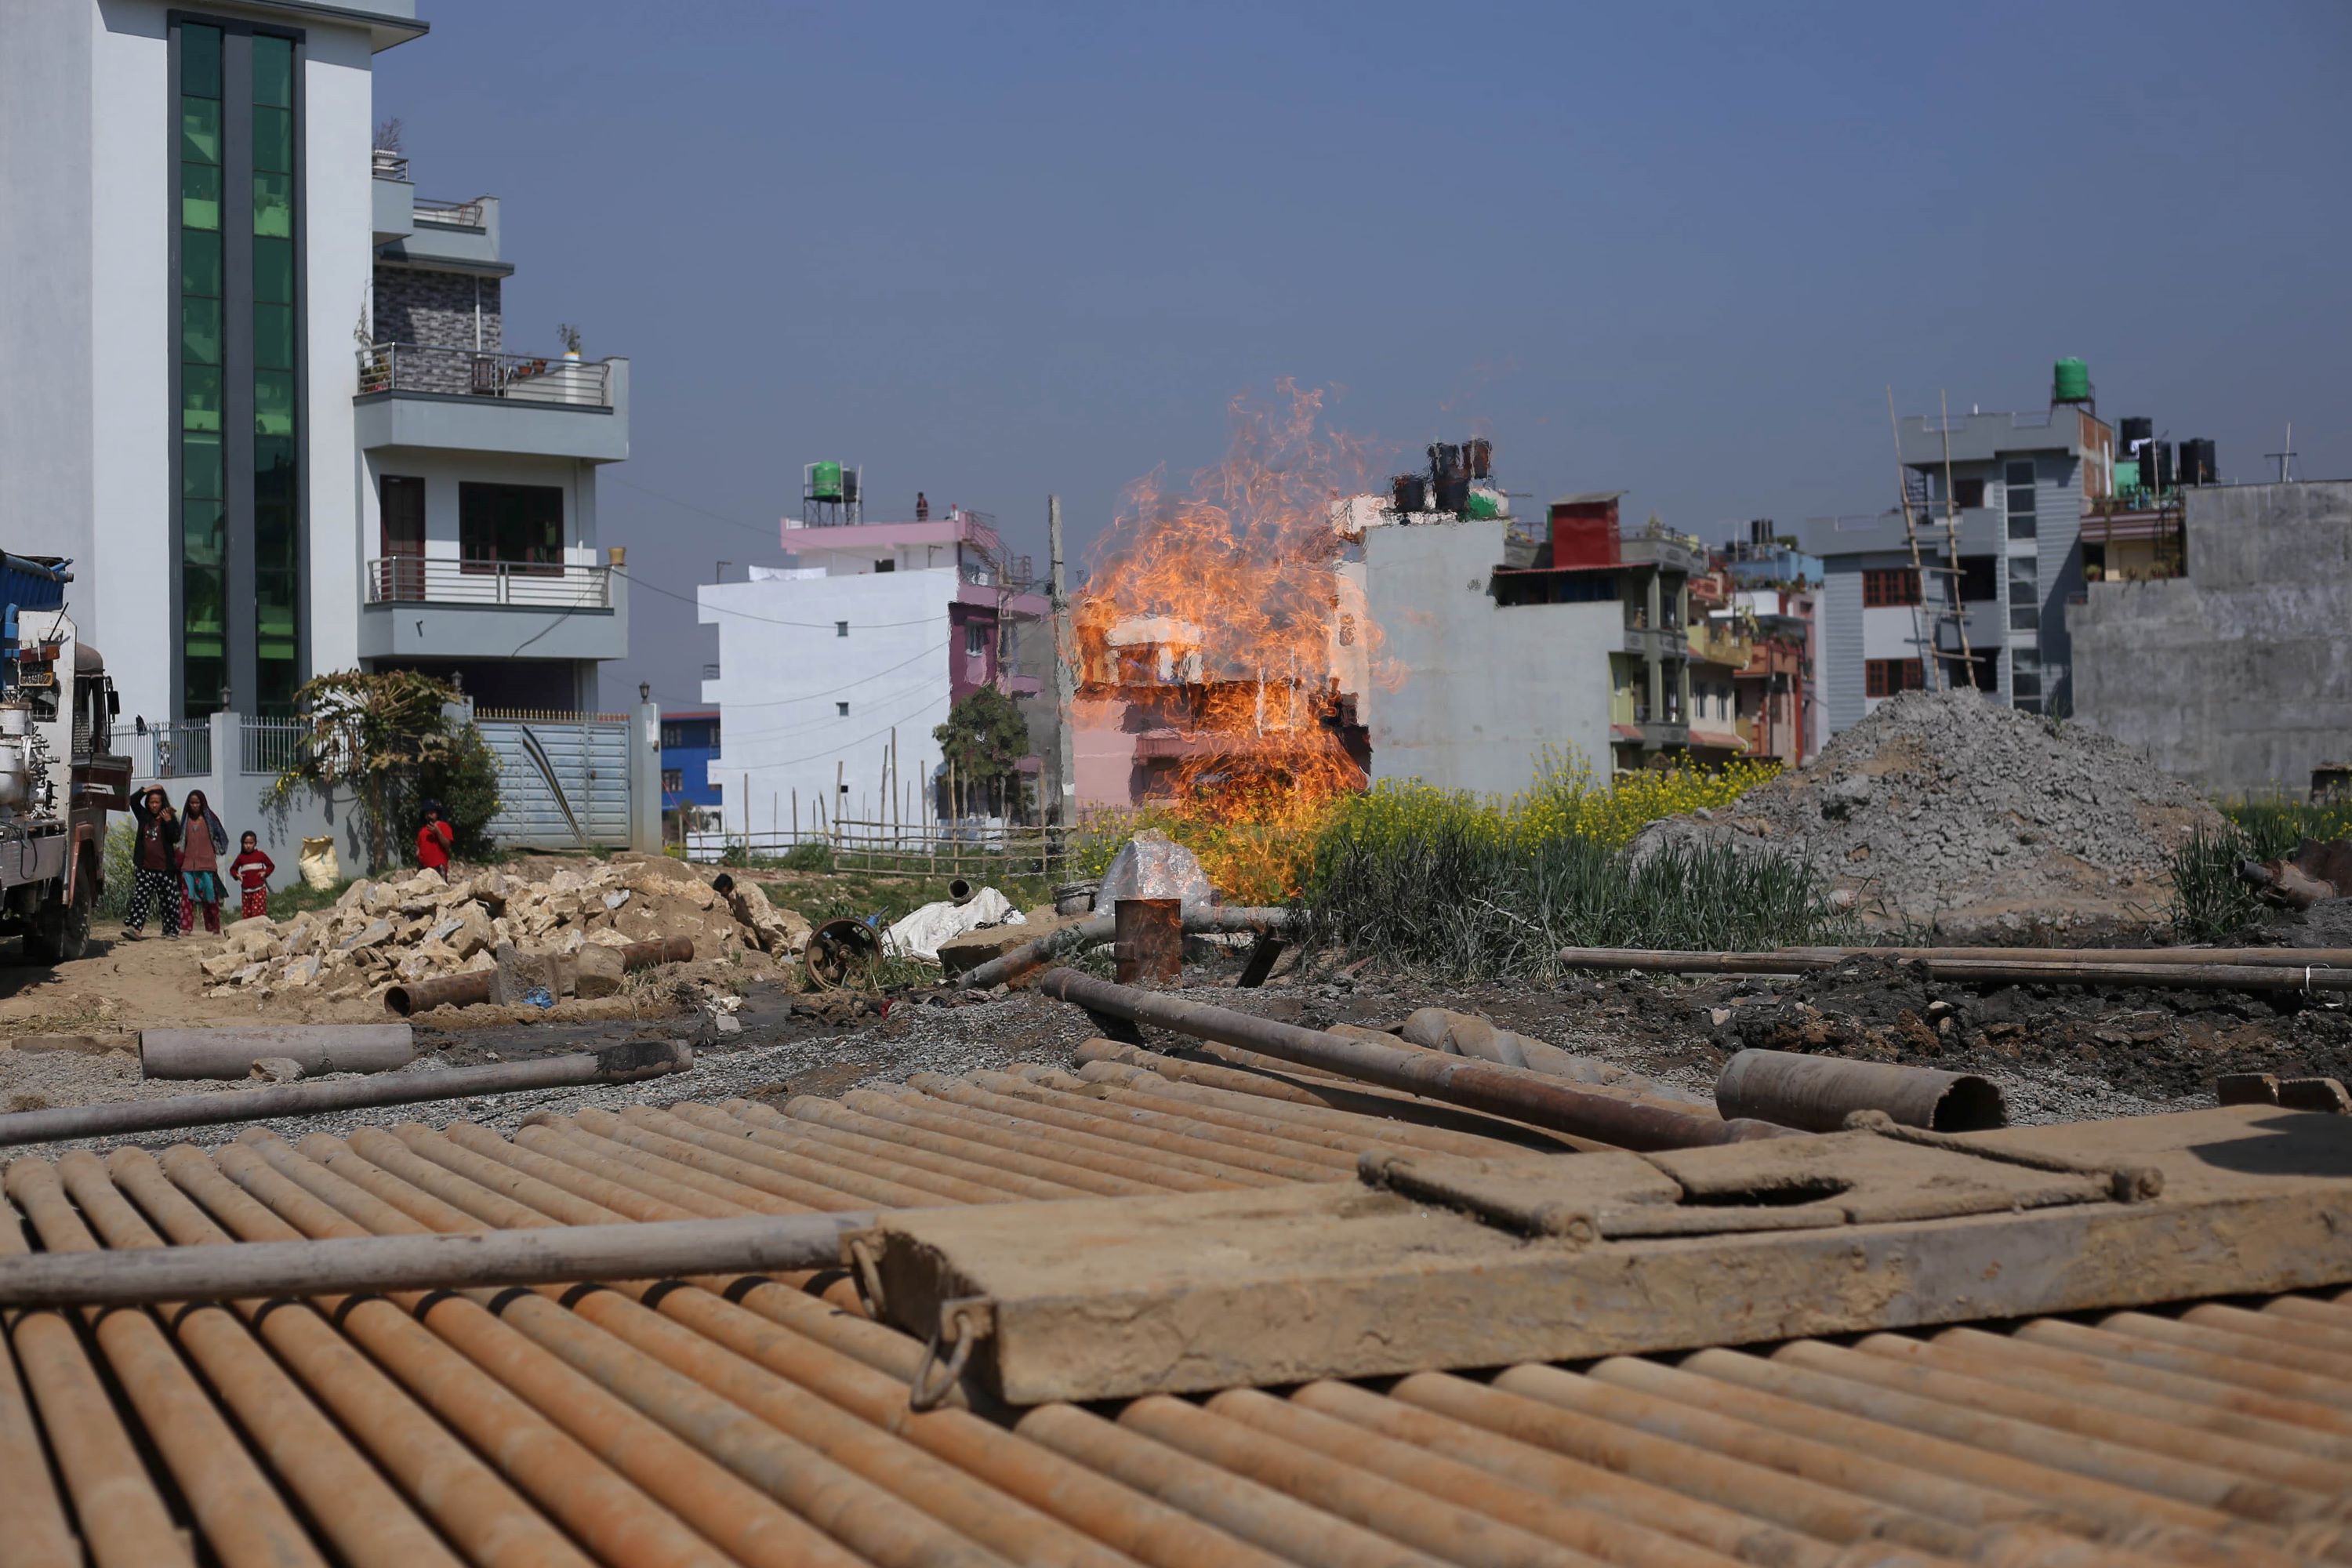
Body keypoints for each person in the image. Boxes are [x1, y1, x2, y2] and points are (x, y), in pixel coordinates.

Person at [123, 786, 181, 939]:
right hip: (145, 867)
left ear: (162, 803)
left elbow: (176, 837)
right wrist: (147, 789)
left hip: (164, 868)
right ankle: (136, 929)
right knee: (141, 898)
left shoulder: (168, 816)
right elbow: (133, 800)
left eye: (157, 802)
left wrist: (168, 822)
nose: (154, 806)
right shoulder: (143, 816)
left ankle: (171, 930)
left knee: (169, 900)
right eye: (151, 802)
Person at [176, 788, 229, 935]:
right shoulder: (185, 821)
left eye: (197, 803)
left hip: (207, 865)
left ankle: (214, 927)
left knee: (210, 897)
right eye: (192, 803)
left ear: (202, 804)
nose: (194, 806)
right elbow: (179, 840)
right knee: (187, 898)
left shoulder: (210, 819)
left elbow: (221, 836)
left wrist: (218, 850)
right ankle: (186, 927)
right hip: (188, 865)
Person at [228, 831, 274, 922]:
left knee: (258, 914)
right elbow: (233, 869)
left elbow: (271, 866)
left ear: (255, 843)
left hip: (259, 890)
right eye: (246, 843)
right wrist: (237, 875)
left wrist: (265, 872)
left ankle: (260, 932)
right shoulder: (241, 857)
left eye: (251, 843)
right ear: (242, 843)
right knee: (247, 916)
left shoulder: (260, 855)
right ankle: (249, 935)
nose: (248, 846)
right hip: (246, 892)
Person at [416, 800, 455, 878]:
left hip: (438, 867)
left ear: (437, 813)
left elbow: (447, 845)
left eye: (432, 812)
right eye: (427, 813)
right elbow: (418, 847)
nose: (429, 815)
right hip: (424, 868)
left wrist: (437, 832)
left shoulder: (444, 826)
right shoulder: (422, 831)